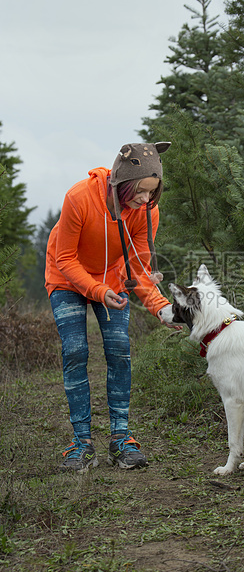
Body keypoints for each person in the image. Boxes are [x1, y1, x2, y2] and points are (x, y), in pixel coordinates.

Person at [45, 142, 179, 473]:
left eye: (152, 192)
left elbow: (140, 267)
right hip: (65, 277)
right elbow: (65, 258)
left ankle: (121, 439)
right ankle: (81, 443)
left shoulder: (147, 212)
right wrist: (95, 289)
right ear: (122, 181)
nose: (145, 200)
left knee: (119, 350)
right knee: (75, 351)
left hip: (112, 280)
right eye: (140, 191)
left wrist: (161, 308)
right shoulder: (79, 197)